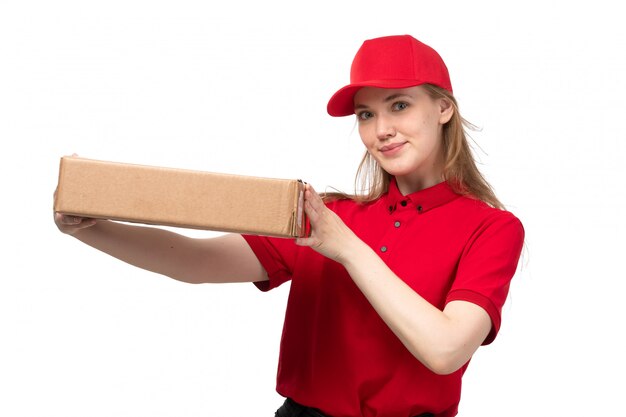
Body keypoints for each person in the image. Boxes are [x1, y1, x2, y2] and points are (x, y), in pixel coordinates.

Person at [54, 34, 524, 417]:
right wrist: (91, 228)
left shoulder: (492, 228)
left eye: (399, 105)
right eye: (366, 114)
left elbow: (446, 351)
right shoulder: (329, 216)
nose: (380, 129)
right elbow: (194, 261)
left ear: (443, 109)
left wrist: (346, 248)